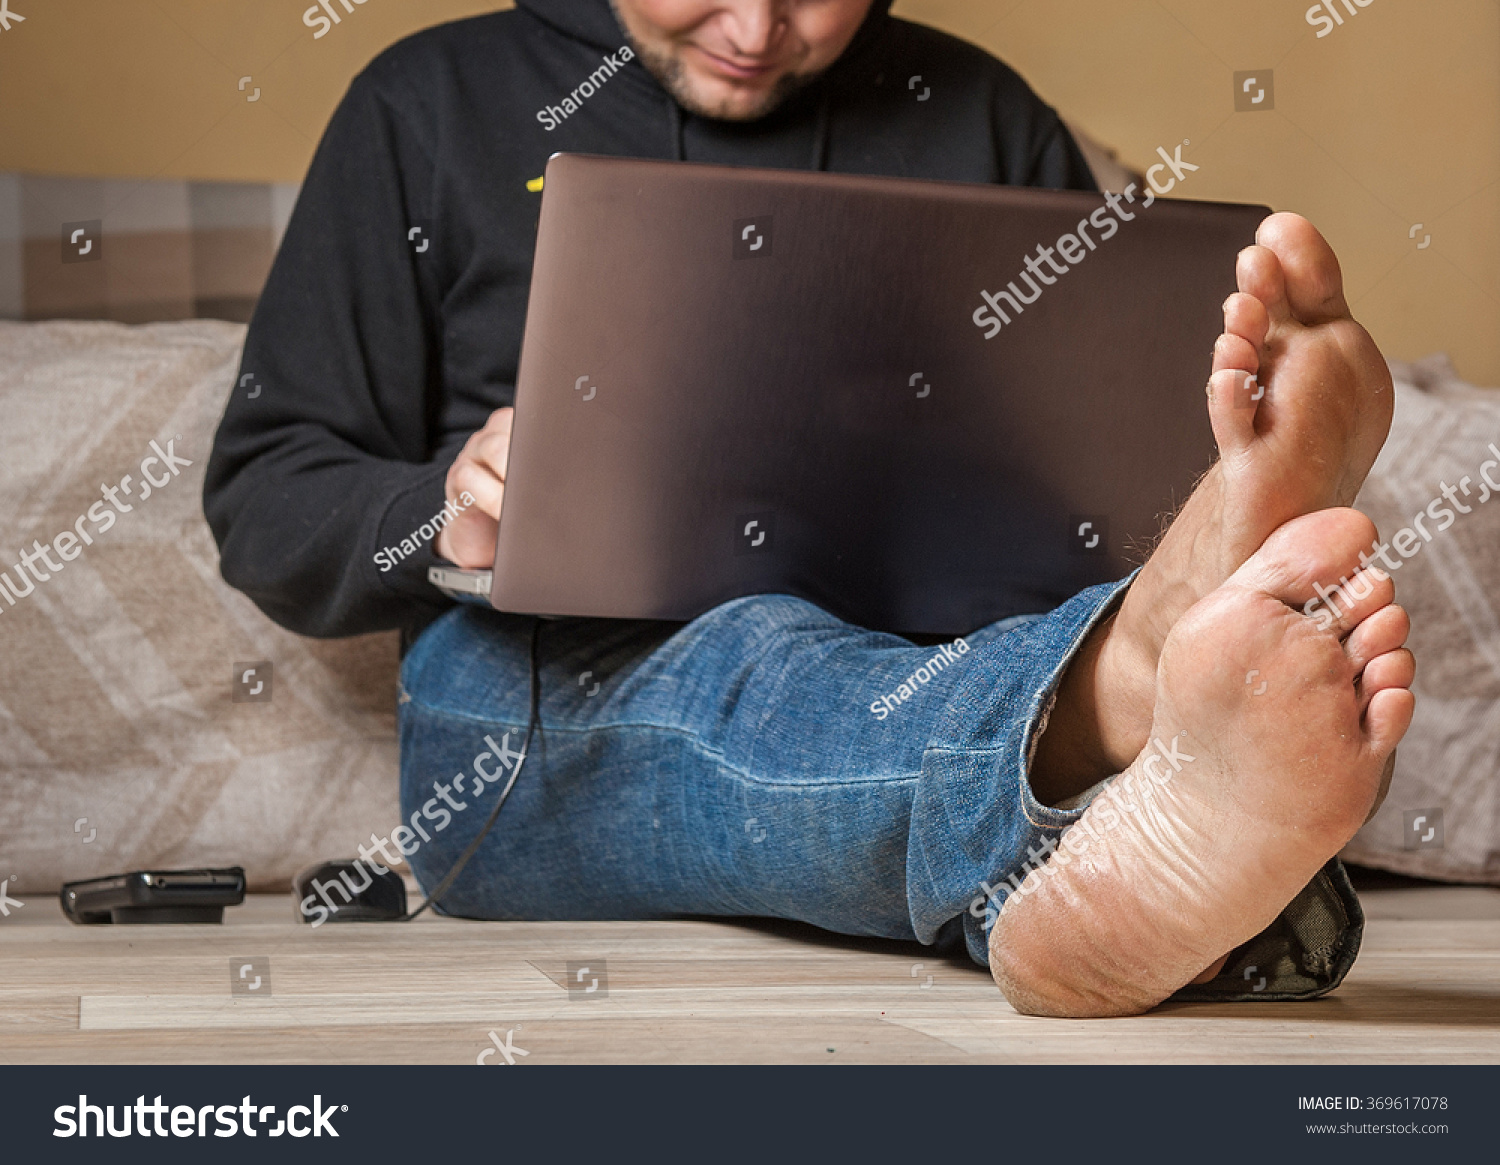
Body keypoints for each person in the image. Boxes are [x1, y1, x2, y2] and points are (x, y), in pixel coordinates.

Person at [204, 0, 1413, 1017]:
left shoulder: (978, 110)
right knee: (757, 655)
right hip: (530, 692)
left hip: (938, 650)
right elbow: (266, 488)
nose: (753, 27)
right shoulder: (425, 102)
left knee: (903, 656)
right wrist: (449, 500)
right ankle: (1112, 692)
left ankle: (1104, 833)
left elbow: (1074, 476)